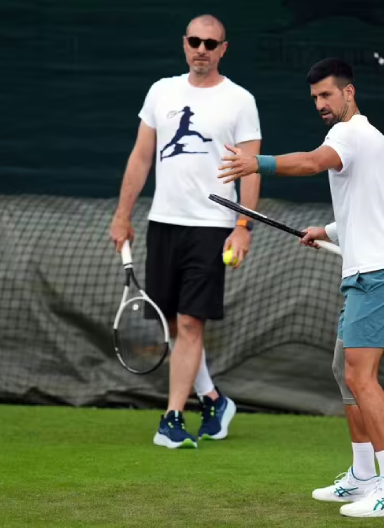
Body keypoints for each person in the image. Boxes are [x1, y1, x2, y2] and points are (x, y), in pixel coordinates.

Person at [217, 58, 384, 517]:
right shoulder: (368, 140)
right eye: (315, 98)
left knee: (361, 377)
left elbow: (311, 162)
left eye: (327, 95)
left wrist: (256, 163)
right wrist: (326, 230)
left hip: (377, 275)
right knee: (344, 372)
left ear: (349, 92)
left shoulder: (350, 134)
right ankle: (363, 477)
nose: (321, 104)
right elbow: (371, 210)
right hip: (369, 271)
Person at [109, 14, 262, 449]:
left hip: (212, 226)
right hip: (163, 223)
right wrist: (122, 215)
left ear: (223, 50)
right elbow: (141, 157)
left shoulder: (240, 100)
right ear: (184, 44)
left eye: (211, 44)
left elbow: (251, 170)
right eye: (195, 41)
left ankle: (172, 418)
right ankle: (213, 399)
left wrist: (243, 226)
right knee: (174, 324)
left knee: (192, 321)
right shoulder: (161, 91)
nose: (201, 49)